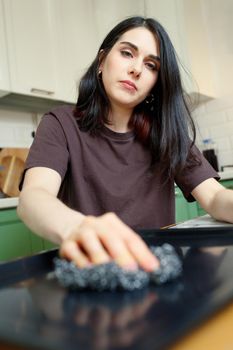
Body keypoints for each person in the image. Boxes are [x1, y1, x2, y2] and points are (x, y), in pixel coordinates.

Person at [17, 16, 233, 272]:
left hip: (158, 269)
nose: (137, 69)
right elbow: (33, 196)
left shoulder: (167, 133)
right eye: (127, 53)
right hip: (93, 271)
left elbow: (215, 196)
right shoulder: (60, 124)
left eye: (151, 65)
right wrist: (76, 227)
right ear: (101, 61)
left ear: (155, 83)